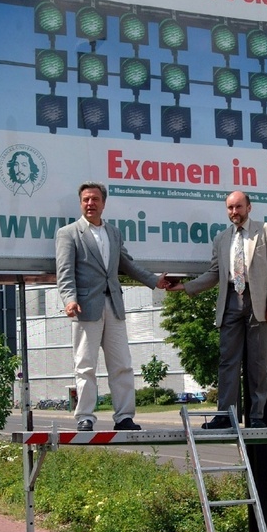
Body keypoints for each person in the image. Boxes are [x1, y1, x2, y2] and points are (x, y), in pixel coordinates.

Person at [56, 181, 170, 431]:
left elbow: (127, 264)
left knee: (122, 364)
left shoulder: (114, 233)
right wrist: (69, 299)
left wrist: (153, 280)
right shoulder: (69, 233)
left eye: (95, 199)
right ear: (80, 203)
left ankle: (124, 417)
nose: (90, 204)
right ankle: (85, 417)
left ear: (103, 203)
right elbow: (64, 273)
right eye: (86, 199)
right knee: (85, 365)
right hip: (85, 307)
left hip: (115, 306)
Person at [167, 191, 267, 429]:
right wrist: (186, 287)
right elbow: (214, 274)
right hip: (230, 299)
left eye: (239, 207)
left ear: (249, 208)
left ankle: (256, 417)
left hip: (258, 301)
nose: (234, 212)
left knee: (258, 362)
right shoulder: (221, 239)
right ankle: (225, 416)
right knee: (227, 361)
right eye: (230, 208)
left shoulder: (266, 231)